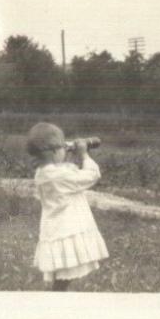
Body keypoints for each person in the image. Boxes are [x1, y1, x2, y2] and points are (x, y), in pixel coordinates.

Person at [26, 122, 109, 291]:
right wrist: (84, 155)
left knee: (62, 273)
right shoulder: (58, 176)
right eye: (63, 146)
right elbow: (92, 175)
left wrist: (68, 153)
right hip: (67, 229)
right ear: (55, 151)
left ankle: (57, 297)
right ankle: (57, 301)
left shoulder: (44, 172)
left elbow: (64, 169)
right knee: (65, 273)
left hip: (56, 229)